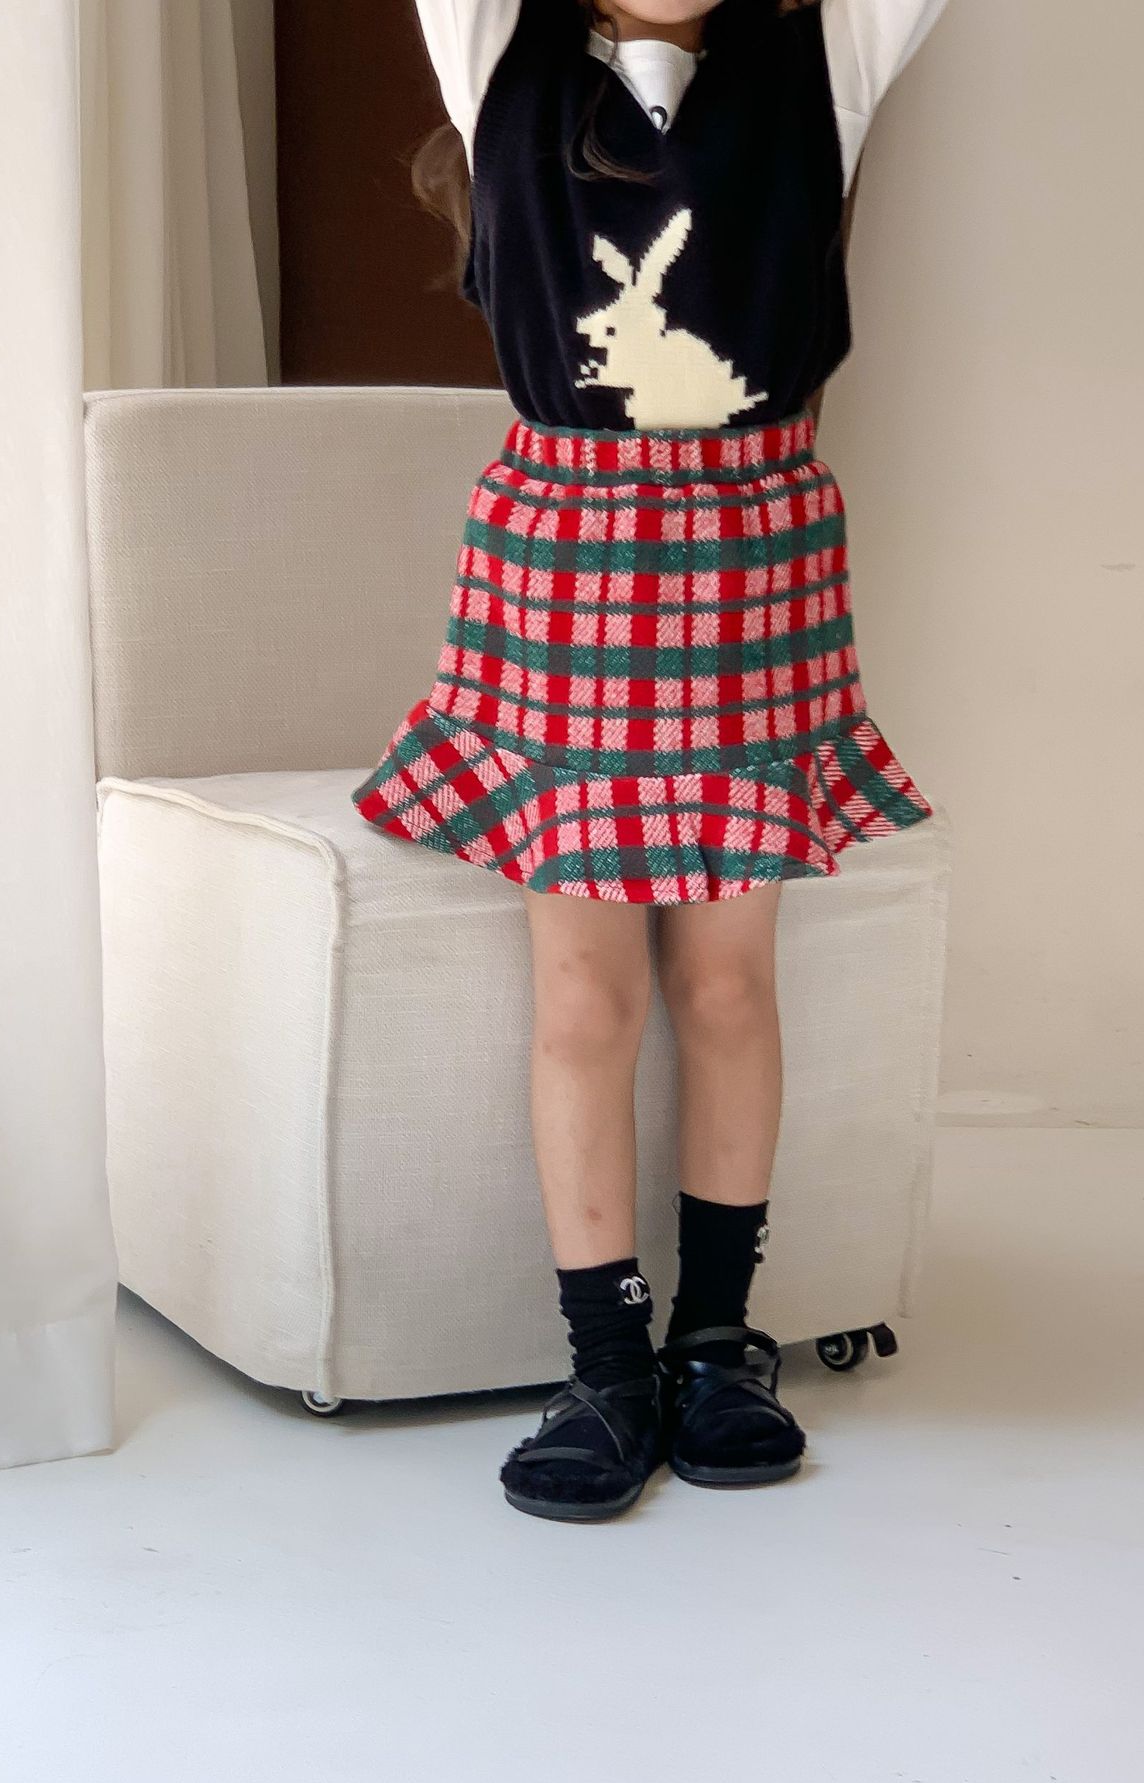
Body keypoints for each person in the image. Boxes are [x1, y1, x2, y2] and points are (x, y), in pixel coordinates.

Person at [351, 0, 949, 1521]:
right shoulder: (496, 52)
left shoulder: (829, 59)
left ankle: (715, 1344)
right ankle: (606, 1366)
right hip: (565, 569)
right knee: (584, 994)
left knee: (730, 984)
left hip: (757, 564)